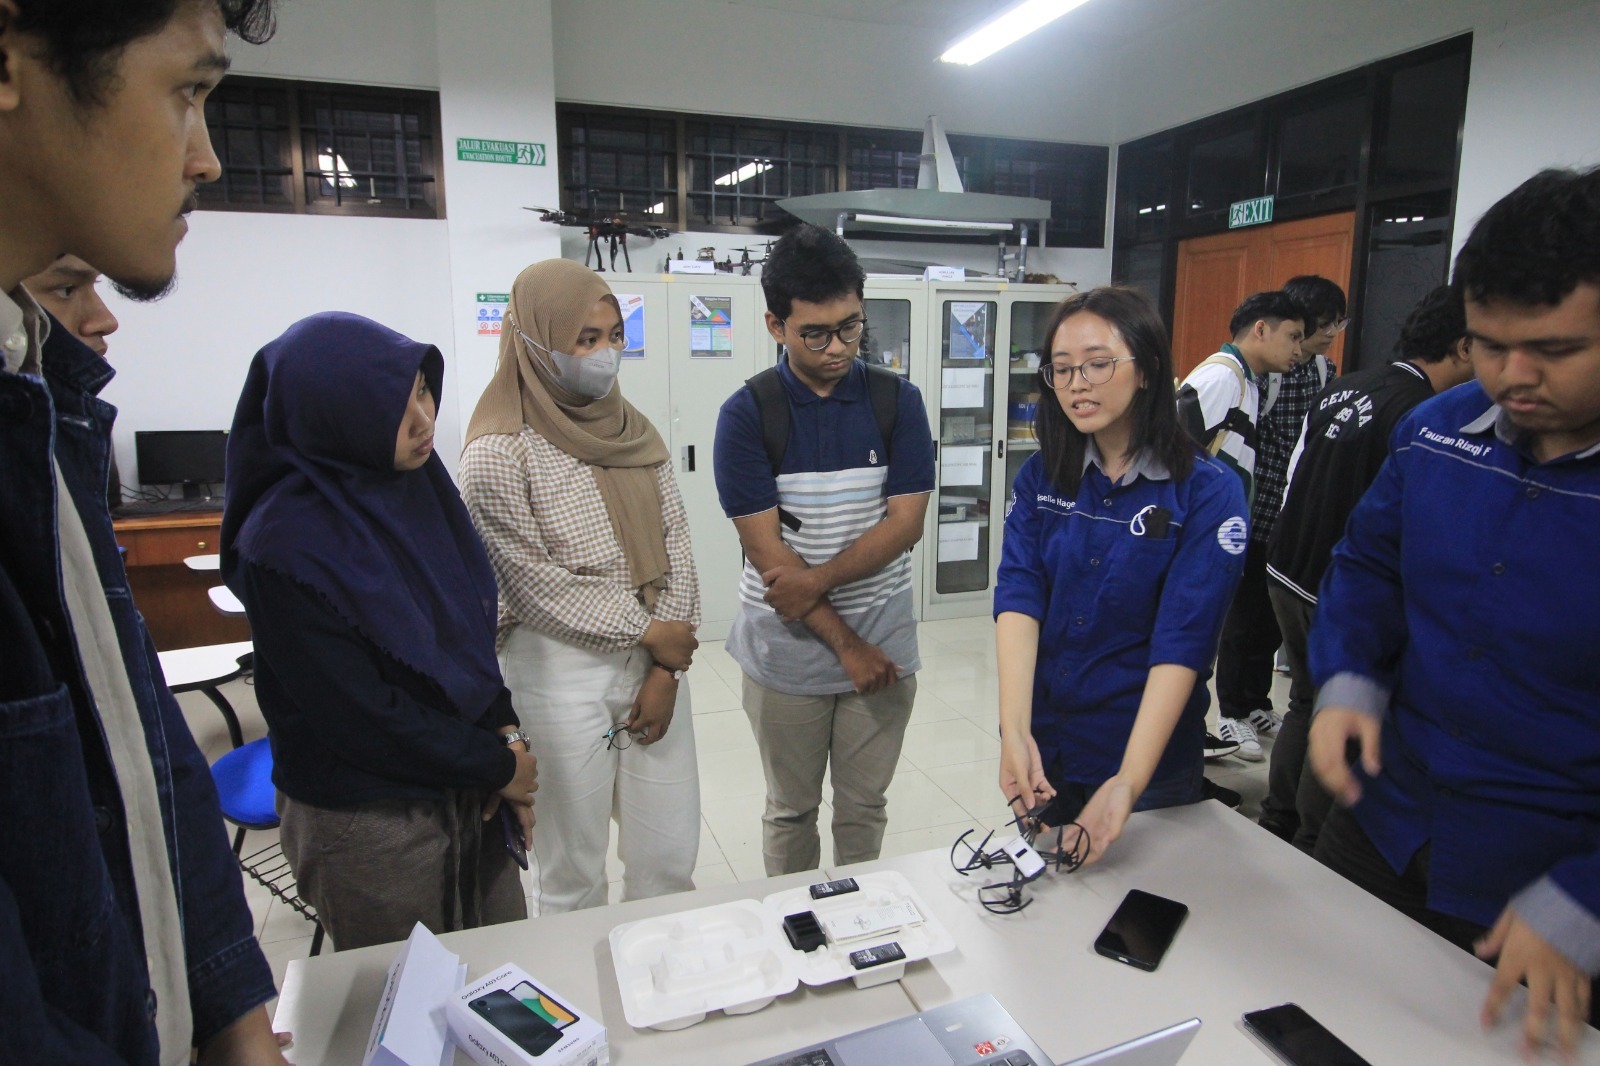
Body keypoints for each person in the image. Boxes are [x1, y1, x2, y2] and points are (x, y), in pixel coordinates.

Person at [0, 1, 289, 1061]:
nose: (206, 159)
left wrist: (231, 1010)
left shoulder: (44, 405)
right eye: (187, 91)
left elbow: (142, 766)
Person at [1308, 167, 1600, 1058]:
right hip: (1387, 818)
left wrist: (1585, 896)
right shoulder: (1436, 429)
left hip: (1549, 883)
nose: (1512, 377)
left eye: (1552, 350)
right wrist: (1348, 679)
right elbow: (1368, 565)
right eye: (1487, 345)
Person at [222, 313, 537, 951]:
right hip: (369, 816)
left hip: (467, 787)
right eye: (395, 407)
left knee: (499, 972)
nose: (424, 419)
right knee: (399, 993)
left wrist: (506, 734)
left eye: (423, 390)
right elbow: (357, 714)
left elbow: (466, 641)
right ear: (332, 417)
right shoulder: (284, 546)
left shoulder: (418, 491)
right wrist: (498, 766)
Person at [459, 259, 701, 913]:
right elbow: (534, 585)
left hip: (654, 662)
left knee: (667, 856)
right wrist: (650, 632)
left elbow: (678, 544)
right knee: (572, 871)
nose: (605, 354)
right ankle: (585, 979)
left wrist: (665, 667)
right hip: (560, 673)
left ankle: (662, 969)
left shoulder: (632, 429)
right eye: (585, 339)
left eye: (614, 335)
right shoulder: (497, 452)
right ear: (534, 342)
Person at [995, 287, 1247, 863]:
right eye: (1062, 369)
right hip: (1050, 744)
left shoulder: (1207, 492)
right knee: (1051, 893)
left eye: (1098, 364)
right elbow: (1019, 595)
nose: (1077, 383)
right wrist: (1015, 730)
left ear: (1147, 369)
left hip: (1144, 755)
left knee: (1142, 898)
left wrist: (1129, 781)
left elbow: (1183, 640)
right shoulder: (1042, 476)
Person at [713, 223, 934, 875]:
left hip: (884, 643)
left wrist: (818, 583)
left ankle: (859, 914)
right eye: (815, 334)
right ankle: (794, 919)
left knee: (864, 808)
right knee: (791, 810)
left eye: (850, 327)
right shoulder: (747, 414)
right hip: (787, 653)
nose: (837, 347)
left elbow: (906, 524)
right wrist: (847, 645)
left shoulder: (897, 402)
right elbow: (772, 561)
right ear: (775, 325)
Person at [1260, 285, 1472, 849]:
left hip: (1287, 565)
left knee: (1304, 700)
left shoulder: (1345, 386)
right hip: (1337, 587)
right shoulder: (1425, 414)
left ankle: (1278, 815)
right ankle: (1311, 838)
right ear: (1464, 346)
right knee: (1332, 709)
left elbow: (1296, 473)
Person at [1210, 277, 1345, 762]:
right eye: (1322, 325)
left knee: (1272, 616)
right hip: (1254, 506)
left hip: (1294, 509)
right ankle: (1231, 711)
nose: (1330, 335)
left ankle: (1256, 701)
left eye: (1337, 324)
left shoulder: (1324, 370)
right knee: (1242, 614)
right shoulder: (1252, 374)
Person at [1176, 291, 1303, 764]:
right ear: (1260, 329)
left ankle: (1188, 747)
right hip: (1195, 538)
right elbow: (1174, 455)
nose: (1298, 350)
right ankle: (1179, 756)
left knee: (1199, 654)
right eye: (1293, 336)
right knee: (1187, 652)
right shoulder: (1221, 377)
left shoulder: (1249, 381)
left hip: (1217, 537)